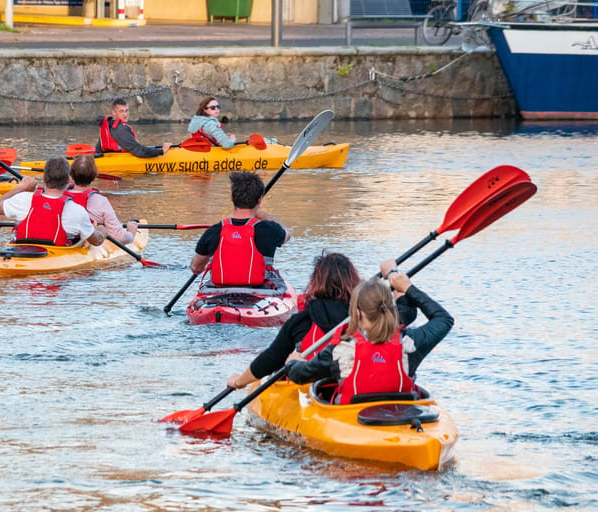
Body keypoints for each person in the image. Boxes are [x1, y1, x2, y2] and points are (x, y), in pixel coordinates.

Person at [225, 252, 418, 392]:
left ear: (315, 282)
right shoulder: (370, 314)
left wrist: (239, 382)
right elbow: (406, 311)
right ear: (354, 281)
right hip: (361, 392)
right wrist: (393, 273)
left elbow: (269, 360)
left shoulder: (301, 321)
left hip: (313, 392)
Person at [281, 260, 454, 404]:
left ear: (355, 313)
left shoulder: (341, 350)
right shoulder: (410, 343)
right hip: (401, 414)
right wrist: (408, 288)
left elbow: (301, 375)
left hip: (352, 418)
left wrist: (293, 364)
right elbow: (444, 319)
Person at [190, 170, 290, 288]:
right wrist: (264, 215)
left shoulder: (214, 231)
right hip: (260, 292)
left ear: (232, 198)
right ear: (259, 200)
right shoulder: (269, 229)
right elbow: (287, 235)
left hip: (219, 295)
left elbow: (196, 268)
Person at [0, 156, 106, 246]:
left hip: (21, 252)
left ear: (44, 178)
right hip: (56, 257)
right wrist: (102, 232)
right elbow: (96, 242)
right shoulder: (77, 211)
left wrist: (22, 187)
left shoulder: (24, 198)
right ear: (68, 180)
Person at [67, 155, 139, 244]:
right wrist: (131, 231)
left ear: (71, 176)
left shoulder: (59, 195)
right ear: (94, 177)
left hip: (61, 243)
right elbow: (121, 238)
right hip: (86, 243)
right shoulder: (101, 201)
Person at [95, 98, 171, 158]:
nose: (125, 114)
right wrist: (161, 151)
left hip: (110, 156)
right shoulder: (119, 129)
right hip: (118, 160)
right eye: (121, 111)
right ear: (114, 113)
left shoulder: (109, 124)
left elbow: (98, 148)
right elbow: (139, 151)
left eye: (126, 111)